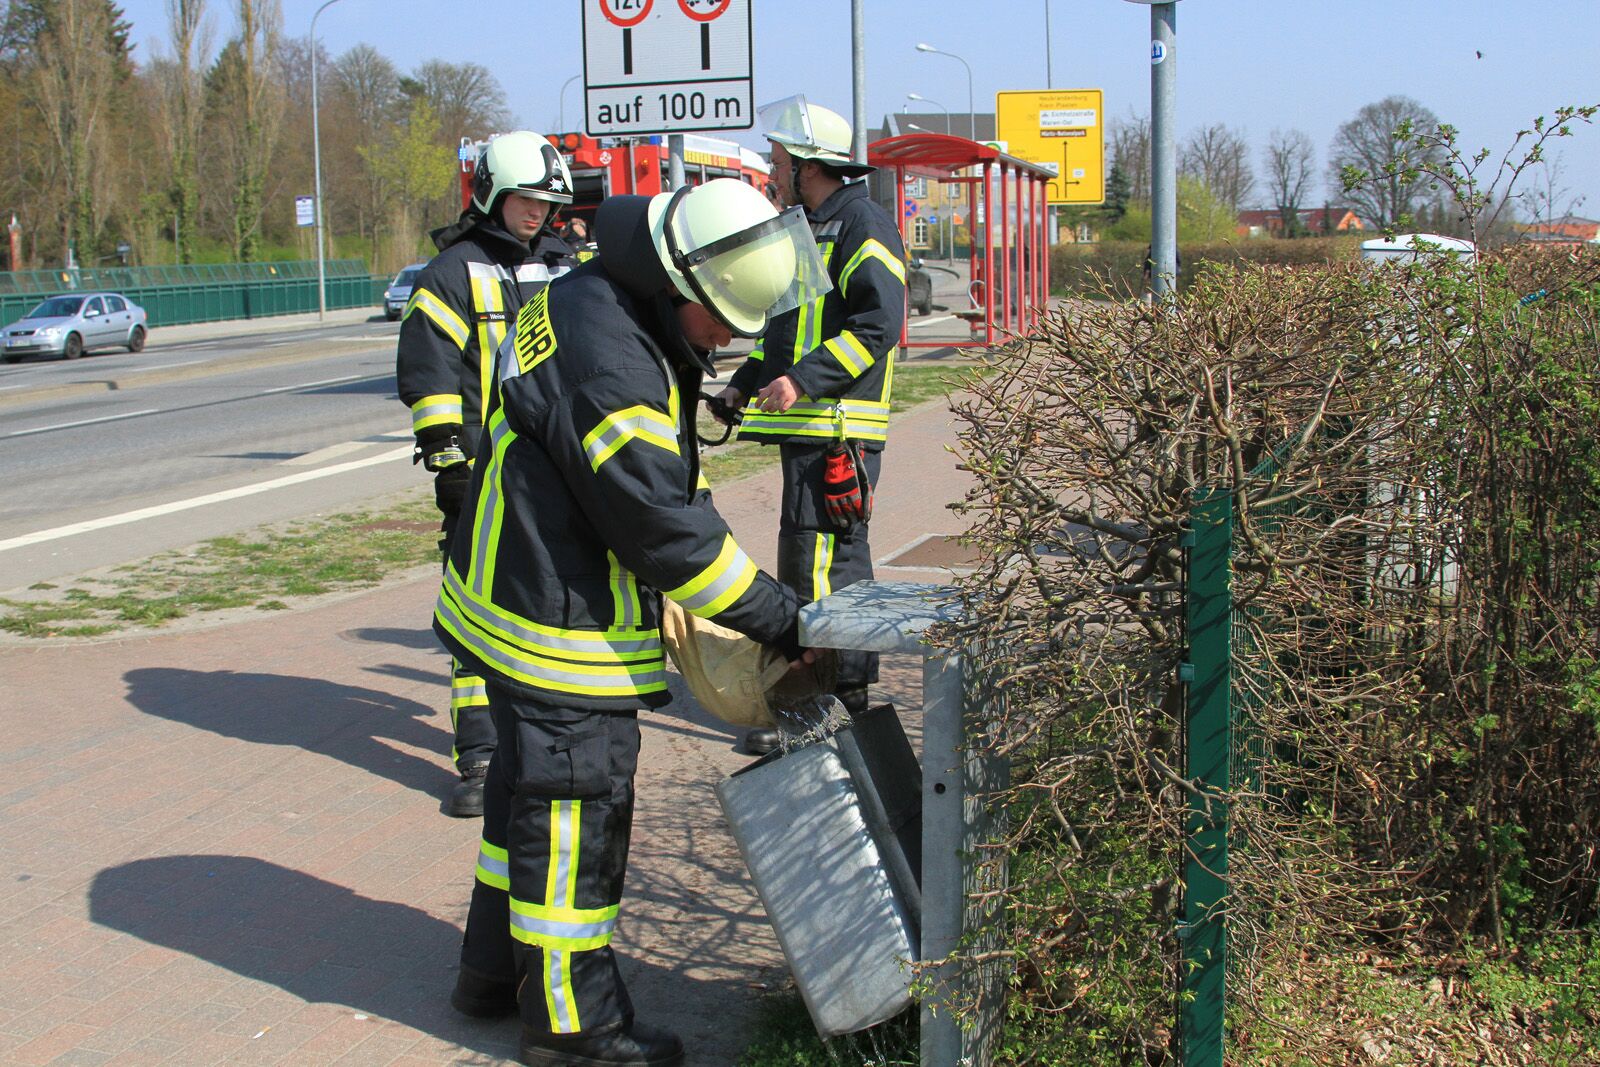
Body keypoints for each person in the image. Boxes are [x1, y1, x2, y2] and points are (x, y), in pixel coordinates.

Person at [437, 178, 830, 1067]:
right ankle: (577, 1027)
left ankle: (492, 975)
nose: (730, 339)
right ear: (677, 285)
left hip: (506, 586)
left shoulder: (592, 288)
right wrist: (780, 616)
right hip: (556, 616)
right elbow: (665, 531)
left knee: (519, 803)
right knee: (577, 809)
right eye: (722, 320)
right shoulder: (614, 362)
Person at [714, 96, 908, 754]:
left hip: (839, 429)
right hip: (811, 428)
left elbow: (879, 326)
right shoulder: (808, 227)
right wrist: (738, 390)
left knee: (825, 567)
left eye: (777, 160)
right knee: (818, 562)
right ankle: (834, 699)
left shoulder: (863, 226)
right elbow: (782, 334)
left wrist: (805, 380)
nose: (770, 170)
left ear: (807, 165)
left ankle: (829, 708)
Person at [396, 131, 579, 818]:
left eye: (546, 202)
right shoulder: (451, 273)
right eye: (526, 201)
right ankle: (479, 755)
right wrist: (447, 460)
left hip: (560, 469)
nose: (538, 214)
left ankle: (544, 736)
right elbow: (429, 374)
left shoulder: (569, 265)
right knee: (476, 615)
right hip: (482, 473)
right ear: (493, 195)